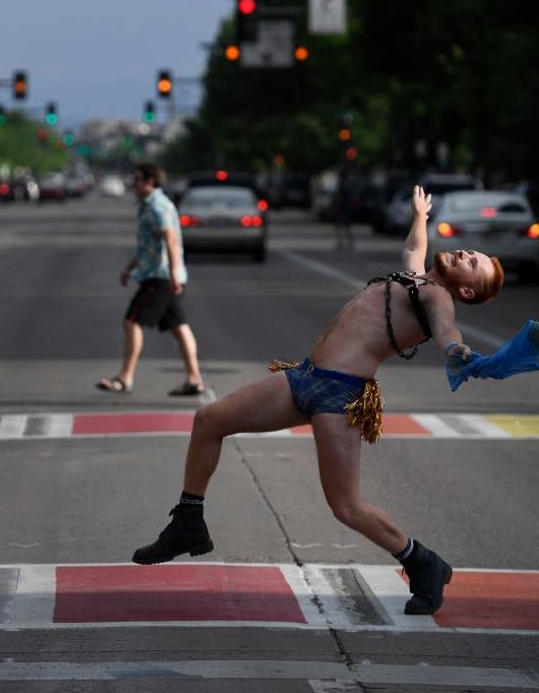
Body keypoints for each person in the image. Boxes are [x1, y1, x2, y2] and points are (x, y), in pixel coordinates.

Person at [131, 186, 505, 617]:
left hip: (339, 396)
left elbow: (446, 333)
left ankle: (423, 562)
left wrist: (457, 352)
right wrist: (420, 215)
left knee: (345, 506)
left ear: (469, 292)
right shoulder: (421, 279)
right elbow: (413, 250)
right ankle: (188, 522)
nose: (464, 254)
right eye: (469, 252)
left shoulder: (439, 299)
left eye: (472, 263)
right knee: (209, 419)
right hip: (303, 376)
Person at [96, 162, 204, 396]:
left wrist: (174, 274)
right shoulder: (149, 204)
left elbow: (171, 240)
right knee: (178, 327)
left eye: (136, 179)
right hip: (160, 274)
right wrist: (129, 268)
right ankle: (194, 379)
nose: (133, 184)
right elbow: (149, 245)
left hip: (160, 277)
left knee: (132, 322)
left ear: (149, 181)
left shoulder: (156, 206)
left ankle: (125, 378)